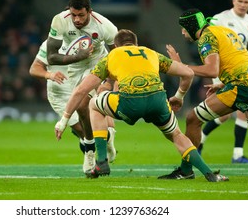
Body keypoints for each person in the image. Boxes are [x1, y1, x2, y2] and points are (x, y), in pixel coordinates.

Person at [55, 29, 228, 182]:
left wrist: (63, 120)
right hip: (158, 101)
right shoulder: (150, 53)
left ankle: (101, 161)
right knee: (176, 135)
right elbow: (188, 73)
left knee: (93, 104)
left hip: (130, 103)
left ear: (116, 46)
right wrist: (179, 96)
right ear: (136, 44)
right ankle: (208, 173)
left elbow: (80, 91)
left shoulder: (112, 56)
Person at [160, 8, 248, 180]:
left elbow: (212, 70)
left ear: (192, 26)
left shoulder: (206, 37)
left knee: (192, 119)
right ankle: (186, 170)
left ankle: (186, 170)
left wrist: (181, 67)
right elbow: (238, 59)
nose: (183, 32)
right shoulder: (225, 31)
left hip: (241, 86)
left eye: (184, 28)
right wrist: (224, 82)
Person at [46, 0, 118, 173]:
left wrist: (112, 81)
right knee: (83, 108)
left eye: (81, 15)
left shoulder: (105, 27)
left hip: (98, 62)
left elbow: (119, 56)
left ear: (90, 12)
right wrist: (78, 56)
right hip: (74, 65)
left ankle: (90, 151)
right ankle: (107, 138)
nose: (76, 19)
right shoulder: (60, 20)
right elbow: (51, 57)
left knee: (84, 102)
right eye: (73, 15)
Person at [198, 0, 248, 164]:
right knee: (224, 114)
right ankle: (201, 141)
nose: (243, 5)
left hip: (242, 73)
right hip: (223, 71)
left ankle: (237, 154)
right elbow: (208, 42)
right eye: (240, 1)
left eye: (246, 2)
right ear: (233, 0)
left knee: (242, 110)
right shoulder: (220, 19)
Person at [29, 39, 116, 161]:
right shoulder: (50, 44)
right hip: (59, 93)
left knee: (92, 117)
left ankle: (95, 149)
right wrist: (50, 75)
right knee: (81, 129)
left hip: (82, 84)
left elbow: (106, 62)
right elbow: (34, 68)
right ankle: (91, 143)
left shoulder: (88, 40)